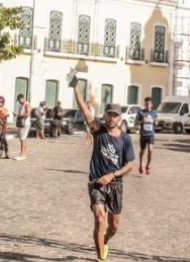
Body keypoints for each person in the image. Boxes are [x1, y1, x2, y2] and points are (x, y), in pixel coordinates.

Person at [69, 70, 134, 262]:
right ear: (105, 116)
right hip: (96, 182)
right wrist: (76, 87)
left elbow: (130, 165)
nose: (112, 118)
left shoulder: (125, 139)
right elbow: (84, 110)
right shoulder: (98, 131)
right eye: (109, 114)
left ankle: (106, 240)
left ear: (120, 118)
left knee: (113, 226)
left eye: (115, 115)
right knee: (100, 219)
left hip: (115, 185)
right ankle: (100, 258)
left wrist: (112, 175)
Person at [135, 97, 157, 175]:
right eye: (146, 104)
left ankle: (148, 165)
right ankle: (141, 164)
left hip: (151, 135)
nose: (148, 105)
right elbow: (136, 123)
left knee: (150, 150)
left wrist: (156, 123)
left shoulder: (154, 113)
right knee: (142, 151)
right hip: (143, 134)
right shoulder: (141, 112)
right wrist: (141, 121)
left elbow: (155, 122)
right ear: (144, 104)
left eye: (149, 104)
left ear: (152, 104)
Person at [14, 93, 31, 160]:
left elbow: (27, 113)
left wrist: (18, 115)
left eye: (19, 100)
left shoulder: (27, 104)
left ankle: (22, 155)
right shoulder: (22, 105)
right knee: (23, 139)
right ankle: (23, 154)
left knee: (22, 139)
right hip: (22, 123)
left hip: (24, 123)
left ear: (22, 98)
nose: (18, 101)